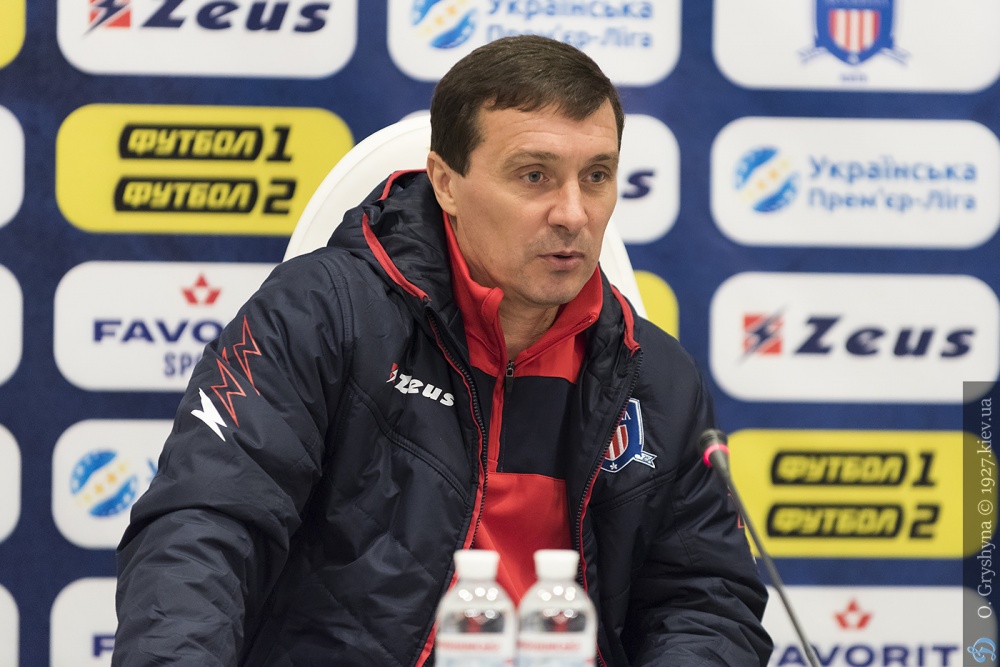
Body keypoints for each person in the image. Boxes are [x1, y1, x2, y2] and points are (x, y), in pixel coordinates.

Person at [113, 35, 772, 666]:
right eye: (535, 175)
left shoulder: (655, 375)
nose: (573, 212)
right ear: (446, 183)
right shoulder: (317, 314)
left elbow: (706, 601)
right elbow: (205, 525)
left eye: (596, 175)